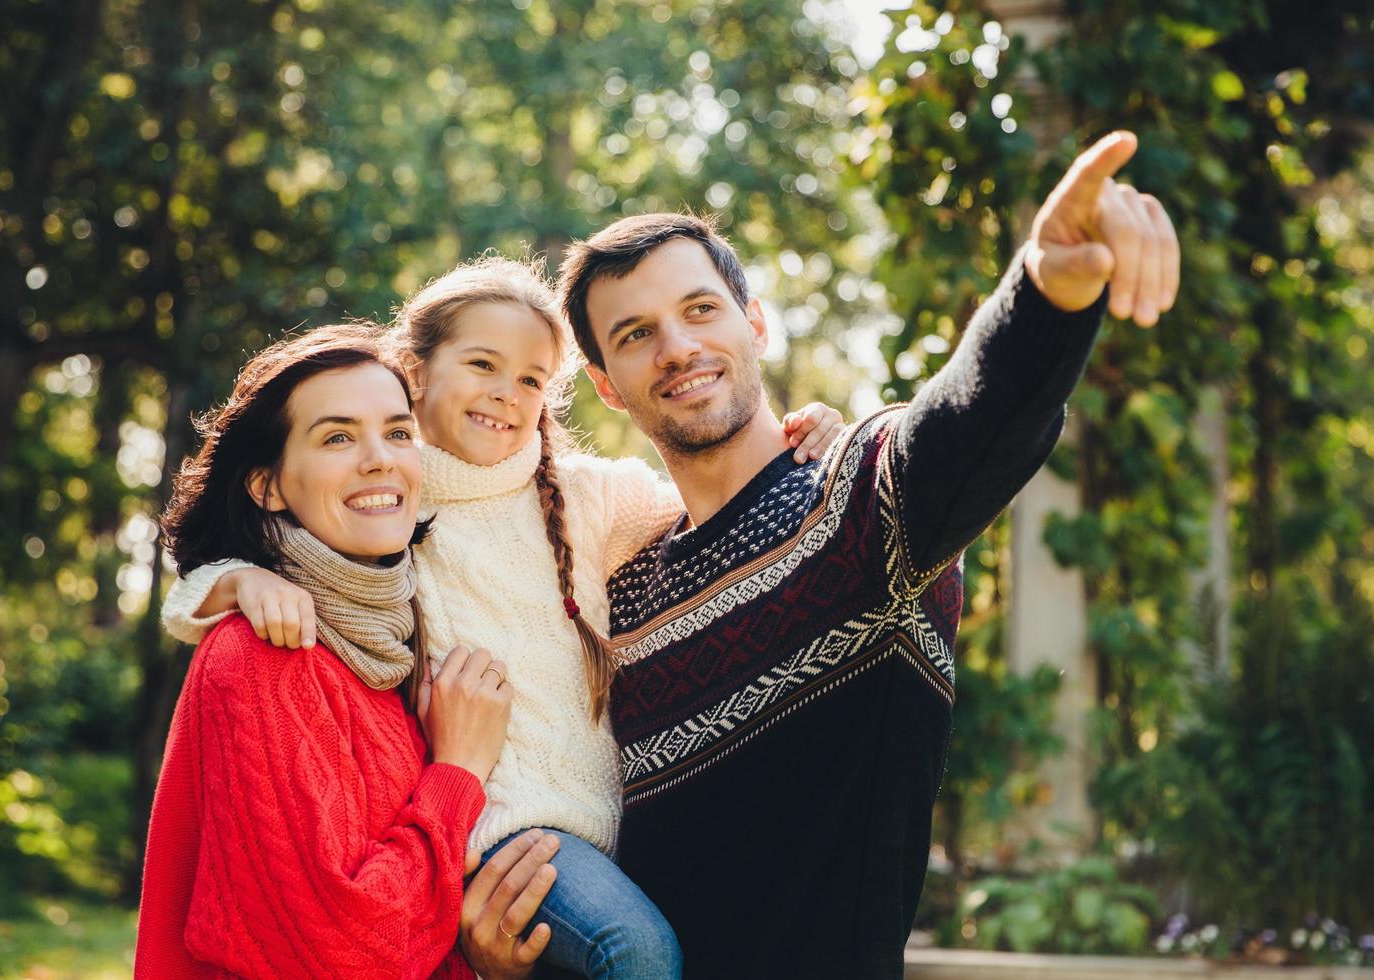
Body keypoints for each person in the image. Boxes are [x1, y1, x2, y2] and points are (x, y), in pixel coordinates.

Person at [463, 130, 1181, 980]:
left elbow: (970, 423)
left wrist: (1047, 287)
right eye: (635, 334)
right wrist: (506, 954)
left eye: (700, 310)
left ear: (754, 324)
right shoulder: (609, 581)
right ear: (609, 386)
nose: (678, 348)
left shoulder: (860, 502)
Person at [160, 259, 847, 979]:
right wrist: (235, 581)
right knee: (637, 954)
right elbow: (252, 553)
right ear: (414, 373)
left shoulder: (585, 495)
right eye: (483, 363)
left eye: (530, 379)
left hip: (610, 821)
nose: (506, 393)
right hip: (498, 831)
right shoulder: (388, 502)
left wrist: (804, 438)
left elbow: (719, 493)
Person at [135, 324, 524, 978]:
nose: (380, 459)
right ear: (269, 486)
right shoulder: (262, 655)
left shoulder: (392, 647)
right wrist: (457, 770)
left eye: (399, 432)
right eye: (338, 437)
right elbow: (341, 953)